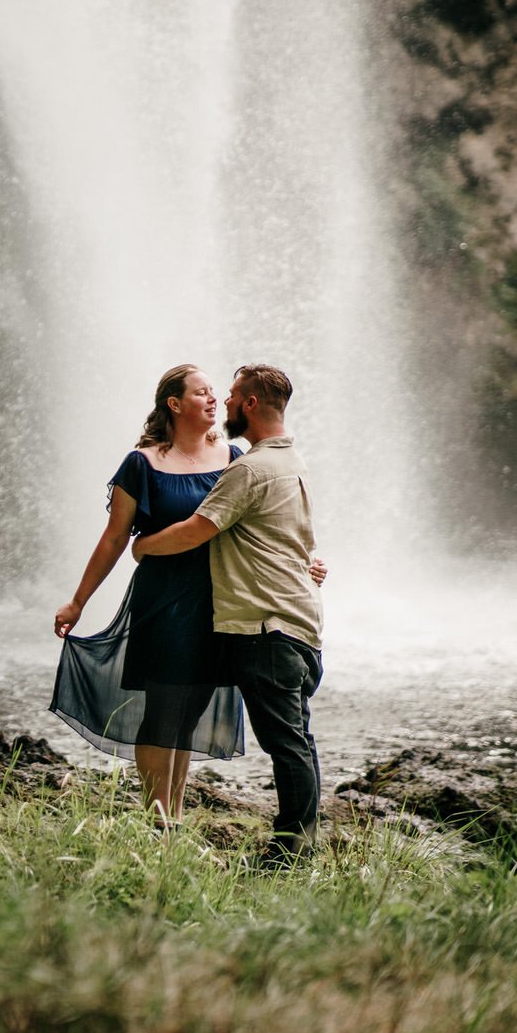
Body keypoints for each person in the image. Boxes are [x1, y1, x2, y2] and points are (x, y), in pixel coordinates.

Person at [130, 363, 323, 863]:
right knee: (295, 740)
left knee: (287, 745)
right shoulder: (291, 461)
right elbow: (290, 535)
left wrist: (144, 547)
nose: (224, 404)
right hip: (298, 620)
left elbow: (198, 528)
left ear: (251, 405)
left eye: (231, 396)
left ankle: (293, 854)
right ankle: (295, 846)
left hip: (267, 626)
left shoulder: (248, 466)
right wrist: (309, 564)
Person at [50, 365, 256, 816]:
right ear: (174, 404)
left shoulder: (234, 457)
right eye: (202, 392)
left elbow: (261, 525)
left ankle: (174, 818)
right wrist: (78, 601)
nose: (213, 399)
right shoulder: (141, 463)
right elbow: (114, 538)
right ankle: (155, 815)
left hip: (218, 601)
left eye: (214, 392)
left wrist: (305, 562)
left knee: (191, 711)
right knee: (164, 710)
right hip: (163, 601)